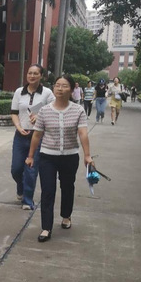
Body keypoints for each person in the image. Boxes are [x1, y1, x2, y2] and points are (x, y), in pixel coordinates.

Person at [25, 74, 93, 242]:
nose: (60, 89)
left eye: (64, 86)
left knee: (67, 187)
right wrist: (31, 156)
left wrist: (87, 155)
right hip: (47, 156)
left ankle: (66, 216)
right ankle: (46, 227)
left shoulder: (78, 110)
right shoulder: (44, 111)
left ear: (71, 89)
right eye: (57, 85)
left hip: (70, 157)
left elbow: (83, 133)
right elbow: (37, 135)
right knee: (48, 190)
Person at [10, 64, 55, 210]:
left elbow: (54, 111)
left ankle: (27, 200)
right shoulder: (19, 92)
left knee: (31, 169)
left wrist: (40, 117)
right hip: (20, 135)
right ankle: (21, 187)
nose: (32, 76)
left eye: (35, 73)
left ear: (41, 76)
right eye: (30, 73)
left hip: (38, 136)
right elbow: (14, 113)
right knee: (16, 169)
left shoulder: (47, 93)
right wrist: (18, 127)